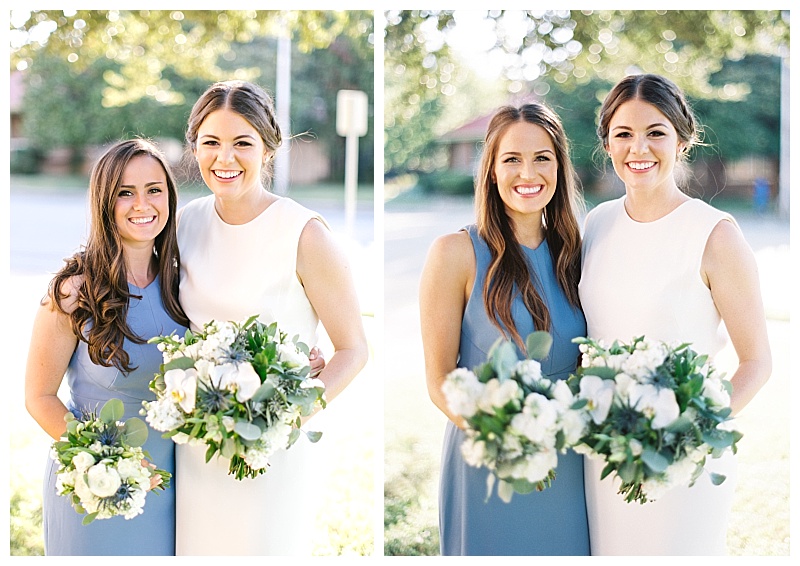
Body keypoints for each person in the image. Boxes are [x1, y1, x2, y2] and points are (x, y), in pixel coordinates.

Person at [579, 73, 772, 555]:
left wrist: (683, 436)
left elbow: (757, 362)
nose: (637, 147)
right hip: (604, 452)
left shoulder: (716, 235)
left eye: (656, 132)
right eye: (623, 134)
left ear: (683, 139)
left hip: (682, 459)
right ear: (607, 143)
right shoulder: (596, 223)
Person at [174, 80, 368, 556]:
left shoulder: (303, 233)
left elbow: (353, 349)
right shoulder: (184, 223)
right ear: (194, 146)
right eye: (211, 143)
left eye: (243, 143)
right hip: (195, 446)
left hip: (271, 449)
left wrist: (285, 415)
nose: (225, 158)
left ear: (268, 149)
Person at [419, 103, 590, 556]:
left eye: (542, 158)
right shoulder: (455, 252)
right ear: (491, 171)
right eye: (512, 159)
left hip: (569, 462)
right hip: (491, 459)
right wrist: (507, 438)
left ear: (559, 167)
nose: (527, 173)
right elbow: (439, 381)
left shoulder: (577, 254)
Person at [25, 139, 189, 555]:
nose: (143, 204)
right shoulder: (74, 289)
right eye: (125, 192)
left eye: (154, 189)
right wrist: (112, 463)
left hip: (177, 487)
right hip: (99, 489)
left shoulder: (184, 280)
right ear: (104, 201)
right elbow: (39, 397)